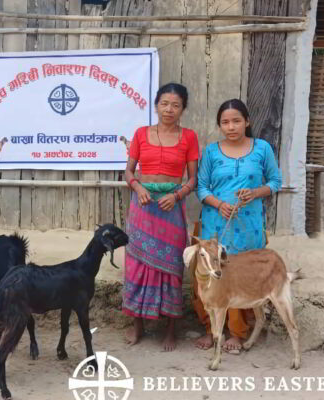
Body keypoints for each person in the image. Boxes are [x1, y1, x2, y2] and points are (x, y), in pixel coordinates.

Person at [194, 98, 282, 353]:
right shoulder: (211, 151)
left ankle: (237, 332)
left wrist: (255, 192)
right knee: (211, 273)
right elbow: (201, 187)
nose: (231, 127)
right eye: (225, 122)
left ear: (247, 122)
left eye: (236, 121)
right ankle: (211, 330)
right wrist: (219, 204)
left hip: (249, 224)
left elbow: (275, 181)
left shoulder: (262, 148)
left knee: (242, 274)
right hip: (215, 223)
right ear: (219, 125)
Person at [122, 83, 200, 351]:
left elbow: (193, 180)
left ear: (183, 109)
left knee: (171, 265)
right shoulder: (141, 134)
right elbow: (129, 172)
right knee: (137, 265)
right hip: (142, 206)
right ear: (156, 105)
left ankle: (170, 330)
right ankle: (137, 326)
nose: (169, 109)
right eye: (164, 103)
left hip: (171, 208)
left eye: (175, 105)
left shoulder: (189, 137)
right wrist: (139, 187)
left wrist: (176, 196)